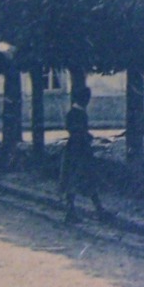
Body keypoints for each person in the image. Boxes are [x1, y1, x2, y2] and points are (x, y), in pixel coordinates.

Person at [60, 84, 108, 223]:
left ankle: (92, 210)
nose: (87, 101)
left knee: (80, 180)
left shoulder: (75, 112)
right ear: (83, 99)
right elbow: (75, 131)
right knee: (81, 180)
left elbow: (73, 129)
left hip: (75, 150)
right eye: (87, 98)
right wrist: (86, 136)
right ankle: (94, 211)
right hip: (79, 152)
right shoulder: (78, 113)